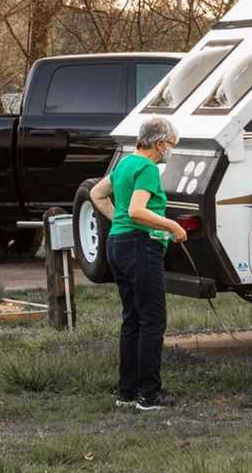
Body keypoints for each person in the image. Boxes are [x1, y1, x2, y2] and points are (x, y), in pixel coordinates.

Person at [89, 117, 186, 411]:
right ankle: (149, 393)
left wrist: (116, 218)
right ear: (159, 143)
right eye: (170, 145)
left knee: (132, 318)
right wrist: (172, 226)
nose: (170, 151)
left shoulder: (125, 164)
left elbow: (96, 193)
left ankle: (127, 390)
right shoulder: (147, 168)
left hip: (117, 244)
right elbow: (137, 210)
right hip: (141, 246)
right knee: (152, 320)